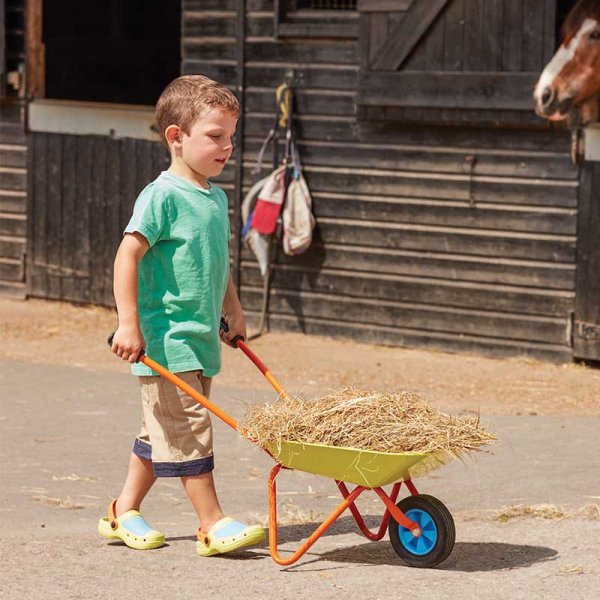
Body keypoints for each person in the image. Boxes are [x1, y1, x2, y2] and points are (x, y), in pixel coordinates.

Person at [97, 75, 265, 556]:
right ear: (176, 136)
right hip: (165, 340)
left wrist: (232, 306)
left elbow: (218, 261)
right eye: (215, 136)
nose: (227, 146)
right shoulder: (162, 196)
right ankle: (211, 523)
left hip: (200, 338)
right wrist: (129, 324)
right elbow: (126, 256)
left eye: (231, 136)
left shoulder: (215, 197)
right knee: (188, 427)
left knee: (162, 429)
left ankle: (120, 510)